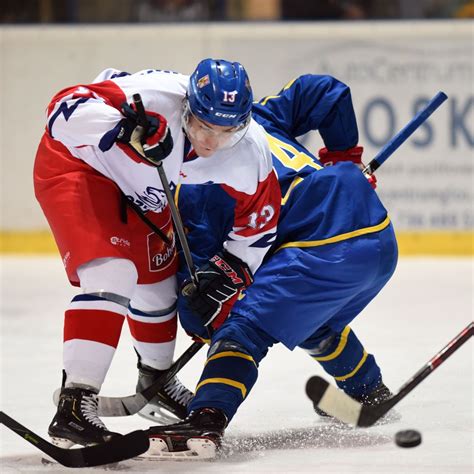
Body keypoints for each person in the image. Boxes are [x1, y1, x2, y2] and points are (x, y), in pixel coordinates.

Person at [146, 74, 398, 457]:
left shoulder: (194, 187)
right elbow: (324, 92)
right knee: (312, 319)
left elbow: (207, 298)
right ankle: (367, 388)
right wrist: (345, 159)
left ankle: (206, 417)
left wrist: (204, 323)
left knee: (241, 332)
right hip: (377, 235)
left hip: (320, 241)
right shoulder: (257, 118)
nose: (211, 140)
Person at [33, 58, 281, 447]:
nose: (211, 141)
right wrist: (121, 128)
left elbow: (258, 227)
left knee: (159, 284)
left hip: (143, 193)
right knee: (113, 272)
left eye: (227, 130)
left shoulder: (251, 152)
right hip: (79, 166)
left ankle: (156, 381)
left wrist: (228, 270)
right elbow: (60, 111)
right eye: (203, 126)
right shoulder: (156, 95)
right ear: (187, 107)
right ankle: (74, 406)